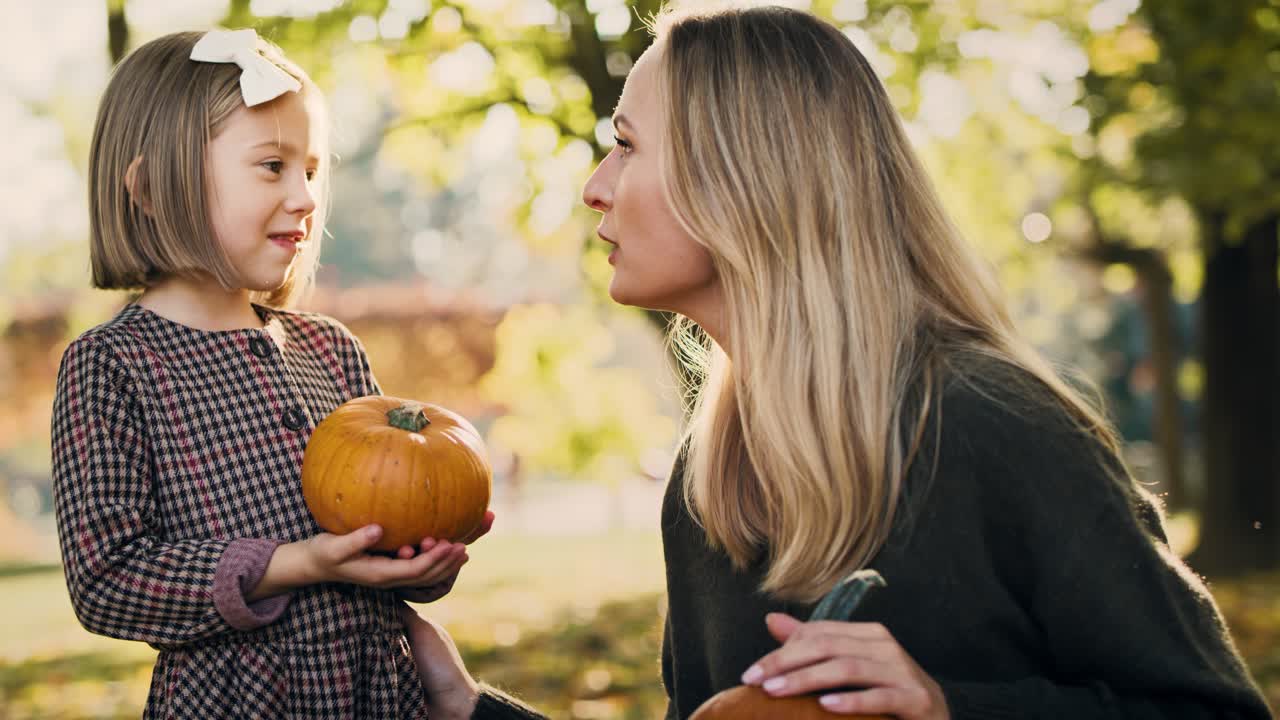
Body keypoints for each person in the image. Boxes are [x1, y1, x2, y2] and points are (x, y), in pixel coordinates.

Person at [397, 4, 1273, 720]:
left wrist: (946, 709)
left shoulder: (996, 427)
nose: (595, 185)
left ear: (742, 176)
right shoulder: (710, 477)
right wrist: (472, 711)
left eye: (626, 144)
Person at [51, 29, 490, 718]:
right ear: (153, 189)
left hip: (379, 693)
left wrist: (419, 559)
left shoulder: (330, 350)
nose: (306, 197)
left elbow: (378, 530)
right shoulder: (112, 365)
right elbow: (107, 581)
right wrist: (296, 563)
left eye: (310, 171)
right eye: (272, 167)